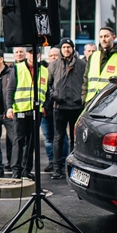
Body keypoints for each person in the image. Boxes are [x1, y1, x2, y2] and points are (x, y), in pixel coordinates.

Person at [6, 47, 49, 180]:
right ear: (27, 54)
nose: (32, 55)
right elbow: (10, 89)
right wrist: (9, 107)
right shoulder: (18, 68)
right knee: (18, 141)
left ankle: (26, 169)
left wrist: (44, 106)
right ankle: (16, 169)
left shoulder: (44, 71)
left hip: (36, 111)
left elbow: (47, 92)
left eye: (35, 53)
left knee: (32, 143)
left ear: (38, 54)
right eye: (30, 52)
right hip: (20, 109)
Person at [47, 38, 84, 179]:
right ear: (61, 49)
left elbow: (85, 82)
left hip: (76, 106)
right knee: (58, 138)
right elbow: (48, 84)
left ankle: (75, 167)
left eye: (69, 47)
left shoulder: (81, 64)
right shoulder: (54, 65)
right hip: (60, 106)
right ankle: (57, 168)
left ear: (73, 49)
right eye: (64, 47)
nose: (66, 50)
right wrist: (54, 95)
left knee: (75, 139)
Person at [82, 27, 117, 105]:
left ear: (114, 37)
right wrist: (84, 99)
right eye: (101, 37)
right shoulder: (94, 56)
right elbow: (86, 80)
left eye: (106, 36)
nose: (103, 39)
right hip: (91, 102)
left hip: (110, 103)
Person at [40, 48, 62, 173]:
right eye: (51, 55)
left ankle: (61, 161)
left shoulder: (62, 69)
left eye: (55, 55)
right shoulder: (44, 70)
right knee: (48, 137)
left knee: (60, 137)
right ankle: (52, 161)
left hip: (59, 108)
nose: (53, 57)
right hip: (45, 110)